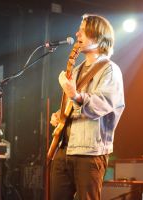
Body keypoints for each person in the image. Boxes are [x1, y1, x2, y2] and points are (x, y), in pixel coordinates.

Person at [50, 14, 125, 200]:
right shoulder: (76, 70)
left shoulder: (110, 70)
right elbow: (71, 107)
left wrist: (75, 95)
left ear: (98, 37)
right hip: (64, 150)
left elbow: (102, 104)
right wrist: (59, 116)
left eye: (82, 31)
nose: (77, 34)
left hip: (90, 153)